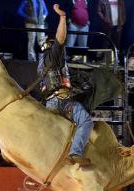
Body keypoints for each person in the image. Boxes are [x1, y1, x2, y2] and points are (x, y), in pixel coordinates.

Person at [38, 4, 93, 167]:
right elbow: (61, 39)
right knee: (85, 121)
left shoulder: (43, 63)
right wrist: (62, 18)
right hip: (62, 102)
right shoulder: (54, 56)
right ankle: (75, 152)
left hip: (50, 103)